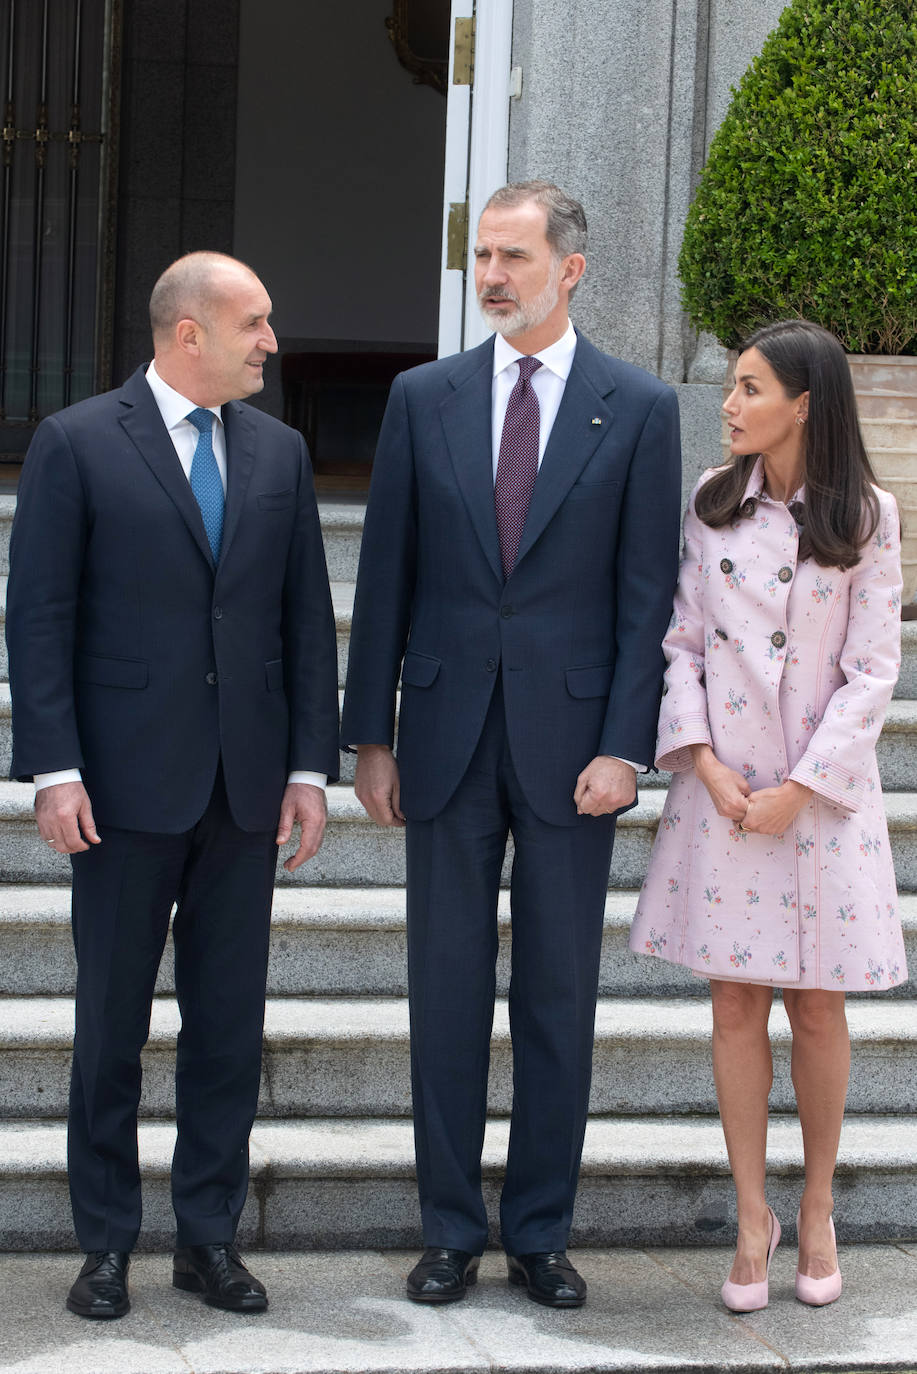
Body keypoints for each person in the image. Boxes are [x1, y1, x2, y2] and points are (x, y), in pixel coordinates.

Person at [341, 181, 682, 1308]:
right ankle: (448, 1228)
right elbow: (382, 574)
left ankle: (538, 1230)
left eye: (512, 258)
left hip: (571, 748)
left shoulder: (634, 407)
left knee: (554, 996)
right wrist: (368, 738)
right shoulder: (420, 397)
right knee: (441, 992)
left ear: (569, 270)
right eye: (481, 256)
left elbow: (647, 597)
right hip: (438, 738)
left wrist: (625, 746)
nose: (490, 276)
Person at [6, 252, 340, 1319]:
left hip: (244, 790)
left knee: (227, 1027)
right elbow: (41, 616)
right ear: (186, 332)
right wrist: (53, 768)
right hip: (117, 787)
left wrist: (305, 768)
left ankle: (208, 1239)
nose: (270, 341)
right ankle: (104, 1242)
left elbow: (301, 621)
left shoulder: (281, 455)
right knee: (109, 1025)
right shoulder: (76, 442)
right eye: (254, 321)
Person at [630, 318, 906, 1312]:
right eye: (729, 387)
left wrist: (804, 785)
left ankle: (818, 1204)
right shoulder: (710, 509)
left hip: (820, 808)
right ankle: (753, 1216)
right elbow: (682, 642)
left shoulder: (868, 517)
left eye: (748, 388)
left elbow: (873, 669)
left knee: (817, 1004)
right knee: (733, 1002)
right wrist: (698, 760)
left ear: (803, 402)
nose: (728, 403)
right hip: (724, 801)